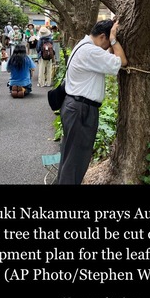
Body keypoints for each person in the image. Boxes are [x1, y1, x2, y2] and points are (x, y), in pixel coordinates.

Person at [57, 19, 127, 185]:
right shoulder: (90, 52)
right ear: (103, 36)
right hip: (82, 110)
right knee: (76, 159)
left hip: (73, 106)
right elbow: (122, 62)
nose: (108, 46)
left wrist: (109, 42)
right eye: (107, 41)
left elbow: (106, 55)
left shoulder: (83, 45)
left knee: (70, 156)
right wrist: (114, 40)